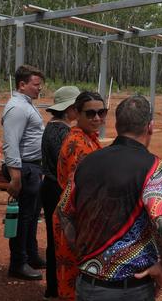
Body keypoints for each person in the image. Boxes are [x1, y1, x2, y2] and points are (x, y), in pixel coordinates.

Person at [56, 96, 162, 301]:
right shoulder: (155, 169)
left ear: (116, 125)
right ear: (150, 127)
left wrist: (84, 251)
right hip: (132, 288)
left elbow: (63, 211)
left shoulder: (87, 162)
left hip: (89, 285)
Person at [53, 91, 106, 300]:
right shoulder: (79, 145)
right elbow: (78, 192)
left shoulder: (88, 138)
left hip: (77, 218)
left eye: (102, 112)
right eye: (90, 113)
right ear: (77, 113)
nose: (97, 118)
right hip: (74, 220)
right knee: (75, 285)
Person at [1, 64, 46, 280]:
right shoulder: (17, 108)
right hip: (24, 169)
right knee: (24, 218)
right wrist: (15, 175)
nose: (39, 89)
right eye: (36, 85)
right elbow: (11, 143)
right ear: (22, 84)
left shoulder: (26, 104)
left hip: (32, 167)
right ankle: (18, 263)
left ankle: (31, 255)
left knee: (32, 215)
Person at [40, 86, 80, 298]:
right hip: (58, 188)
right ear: (70, 109)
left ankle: (53, 287)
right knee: (62, 240)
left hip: (50, 187)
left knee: (53, 238)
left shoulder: (52, 127)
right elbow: (66, 166)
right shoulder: (63, 133)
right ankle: (58, 288)